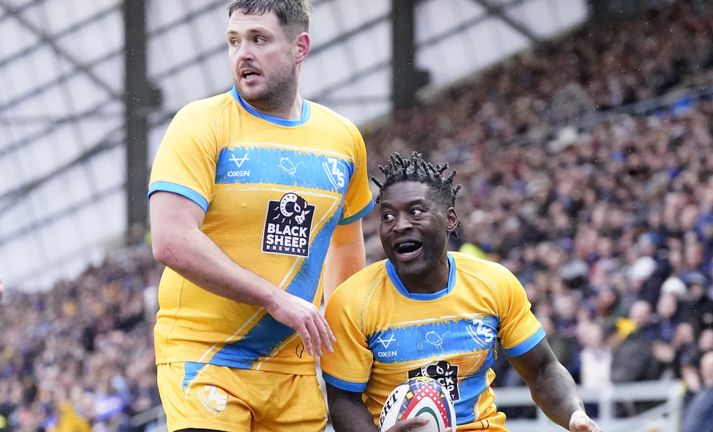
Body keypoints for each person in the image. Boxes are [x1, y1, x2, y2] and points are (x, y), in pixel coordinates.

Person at [147, 1, 373, 430]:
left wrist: (341, 356)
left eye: (259, 39)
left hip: (293, 371)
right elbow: (171, 240)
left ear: (299, 47)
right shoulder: (199, 123)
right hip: (205, 356)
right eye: (234, 41)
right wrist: (275, 299)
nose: (242, 54)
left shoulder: (343, 139)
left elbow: (346, 251)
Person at [321, 152, 600, 432]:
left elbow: (541, 370)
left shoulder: (493, 283)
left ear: (450, 219)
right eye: (388, 216)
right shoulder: (352, 301)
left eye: (416, 212)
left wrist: (575, 415)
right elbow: (344, 399)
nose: (400, 225)